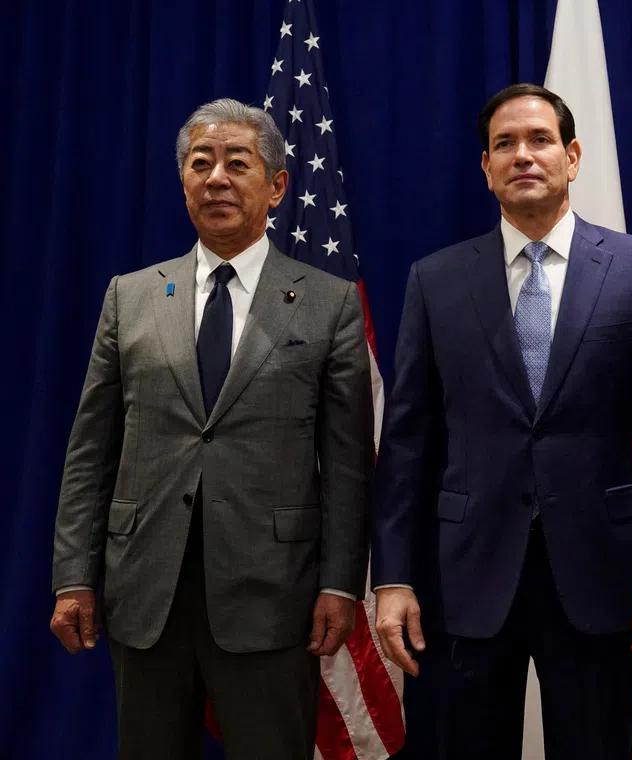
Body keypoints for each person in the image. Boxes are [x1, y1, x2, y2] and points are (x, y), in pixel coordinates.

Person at [371, 83, 632, 759]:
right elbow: (408, 441)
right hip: (464, 577)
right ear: (486, 167)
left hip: (600, 573)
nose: (523, 155)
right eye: (505, 144)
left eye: (540, 140)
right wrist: (394, 576)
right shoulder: (435, 280)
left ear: (572, 157)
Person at [49, 98, 375, 760]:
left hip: (272, 595)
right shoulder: (131, 296)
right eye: (201, 163)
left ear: (277, 186)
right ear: (183, 182)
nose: (216, 178)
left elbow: (346, 466)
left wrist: (341, 583)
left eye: (236, 163)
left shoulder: (328, 303)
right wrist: (72, 575)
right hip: (147, 592)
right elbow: (91, 451)